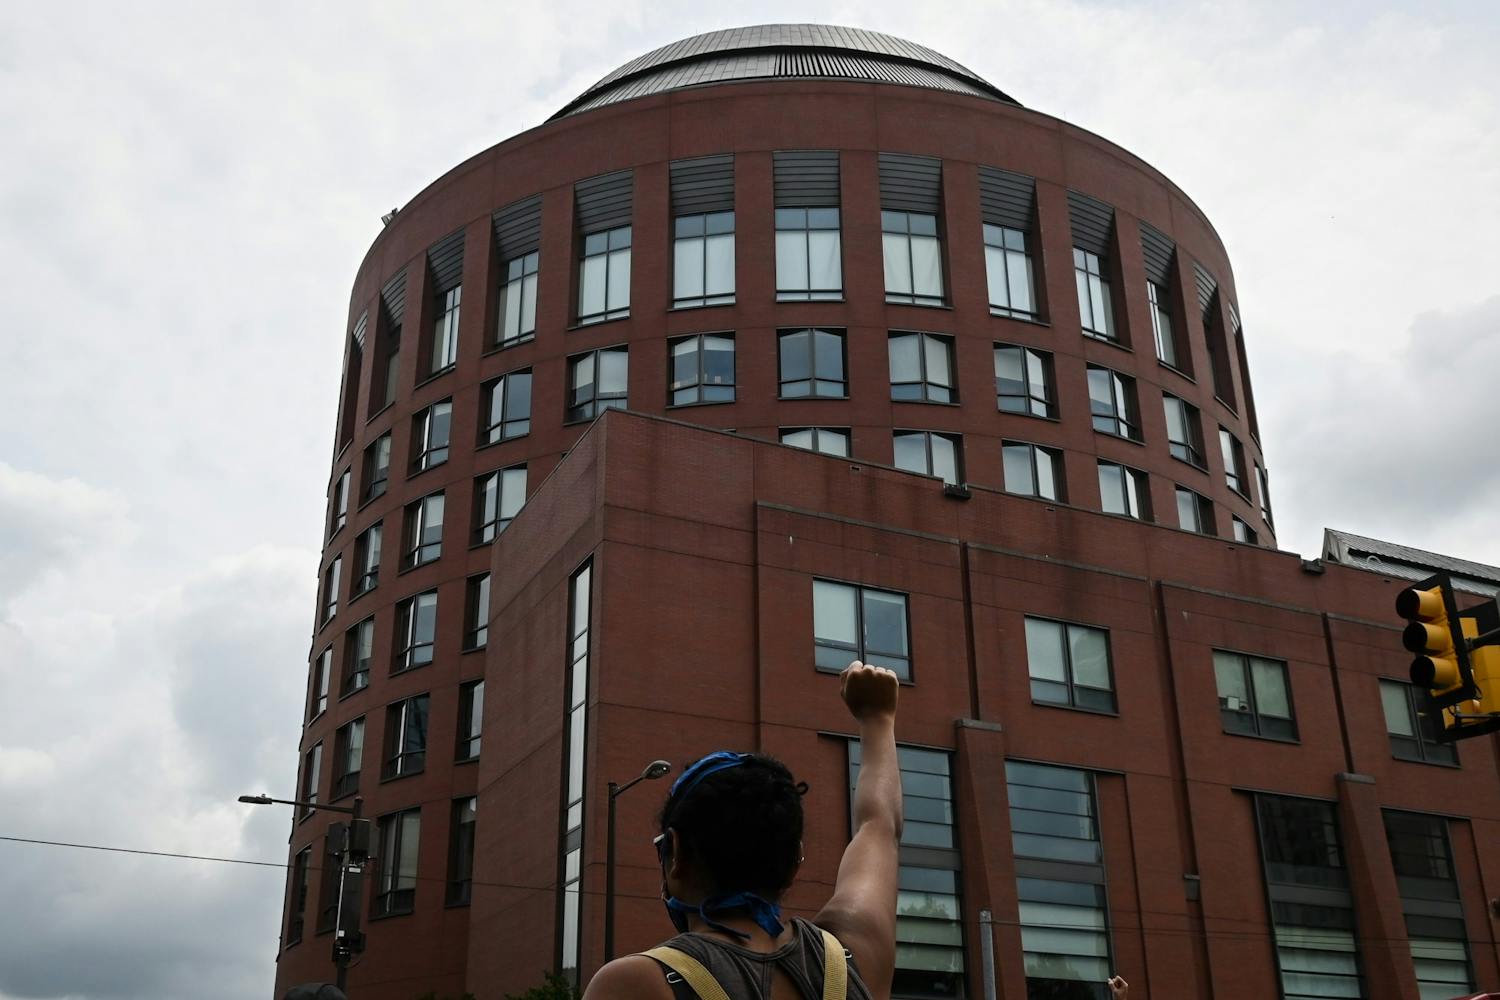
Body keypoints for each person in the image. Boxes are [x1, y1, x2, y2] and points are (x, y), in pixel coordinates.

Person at [583, 660, 903, 1000]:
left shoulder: (635, 985)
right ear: (795, 859)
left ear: (674, 852)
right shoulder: (854, 959)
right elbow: (879, 826)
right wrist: (878, 719)